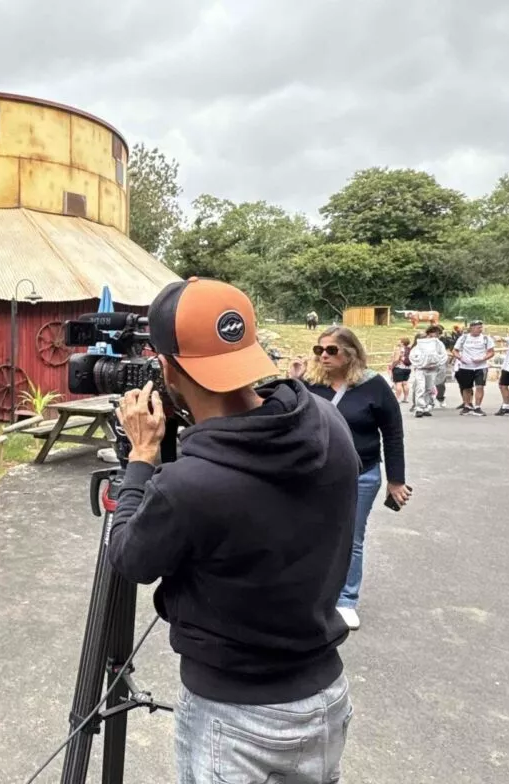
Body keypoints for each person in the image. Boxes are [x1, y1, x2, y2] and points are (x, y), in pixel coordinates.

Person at [106, 278, 359, 784]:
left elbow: (130, 558)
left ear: (167, 368)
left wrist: (140, 459)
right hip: (326, 698)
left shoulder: (189, 485)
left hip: (237, 717)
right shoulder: (328, 423)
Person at [303, 327, 407, 630]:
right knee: (310, 533)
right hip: (313, 474)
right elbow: (283, 415)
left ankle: (346, 599)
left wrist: (396, 480)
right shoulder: (310, 384)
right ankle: (313, 593)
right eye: (319, 350)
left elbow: (393, 433)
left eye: (331, 350)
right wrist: (293, 380)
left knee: (351, 537)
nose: (323, 355)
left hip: (361, 474)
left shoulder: (373, 386)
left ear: (350, 353)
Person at [451, 320, 495, 416]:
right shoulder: (464, 338)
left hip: (481, 366)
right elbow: (455, 351)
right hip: (466, 366)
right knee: (466, 387)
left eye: (481, 327)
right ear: (472, 328)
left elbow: (491, 352)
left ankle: (478, 407)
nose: (480, 329)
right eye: (478, 327)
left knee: (480, 386)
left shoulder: (486, 338)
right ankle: (467, 405)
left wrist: (483, 358)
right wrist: (460, 358)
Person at [408, 325, 449, 417]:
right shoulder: (421, 342)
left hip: (432, 369)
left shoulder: (438, 344)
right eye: (436, 333)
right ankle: (419, 407)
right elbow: (413, 355)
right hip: (421, 369)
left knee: (429, 388)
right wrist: (420, 363)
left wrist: (436, 362)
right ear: (430, 333)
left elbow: (443, 355)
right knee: (420, 387)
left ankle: (427, 406)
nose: (437, 335)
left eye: (438, 334)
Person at [390, 337, 412, 404]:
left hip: (399, 368)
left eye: (399, 341)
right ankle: (405, 398)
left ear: (402, 342)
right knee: (405, 383)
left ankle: (398, 398)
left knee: (398, 383)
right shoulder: (409, 349)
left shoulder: (399, 349)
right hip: (407, 368)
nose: (398, 342)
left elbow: (396, 359)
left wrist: (392, 366)